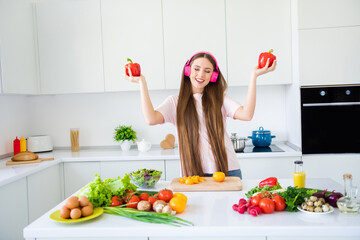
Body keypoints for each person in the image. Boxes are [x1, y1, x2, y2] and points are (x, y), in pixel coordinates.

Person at [125, 51, 276, 179]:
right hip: (193, 174)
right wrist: (142, 83)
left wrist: (254, 76)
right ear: (187, 71)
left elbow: (247, 114)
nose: (201, 74)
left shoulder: (220, 99)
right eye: (196, 69)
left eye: (207, 71)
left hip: (228, 171)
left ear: (213, 76)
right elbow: (151, 119)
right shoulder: (174, 102)